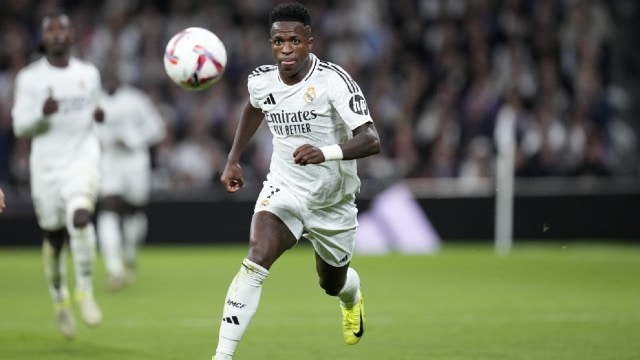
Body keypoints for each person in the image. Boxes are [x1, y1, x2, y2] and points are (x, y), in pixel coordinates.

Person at [212, 2, 381, 359]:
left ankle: (351, 294)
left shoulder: (333, 81)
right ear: (270, 43)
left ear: (310, 42)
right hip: (285, 188)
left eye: (294, 41)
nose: (286, 49)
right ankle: (222, 356)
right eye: (278, 42)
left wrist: (326, 152)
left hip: (332, 201)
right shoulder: (261, 80)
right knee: (257, 257)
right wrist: (233, 159)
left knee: (331, 282)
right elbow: (255, 106)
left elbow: (371, 139)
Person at [11, 10, 104, 340]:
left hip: (82, 158)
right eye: (50, 30)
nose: (57, 34)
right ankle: (59, 298)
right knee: (53, 236)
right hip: (47, 167)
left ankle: (85, 290)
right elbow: (19, 125)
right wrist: (41, 114)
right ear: (43, 38)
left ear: (72, 35)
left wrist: (100, 112)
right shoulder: (30, 78)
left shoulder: (88, 74)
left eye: (62, 28)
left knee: (80, 216)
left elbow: (95, 108)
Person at [95, 66, 166, 291]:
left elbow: (158, 129)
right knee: (109, 207)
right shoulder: (96, 102)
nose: (111, 79)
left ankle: (129, 254)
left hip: (135, 161)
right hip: (109, 161)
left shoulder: (136, 100)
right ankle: (114, 270)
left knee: (134, 212)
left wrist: (132, 139)